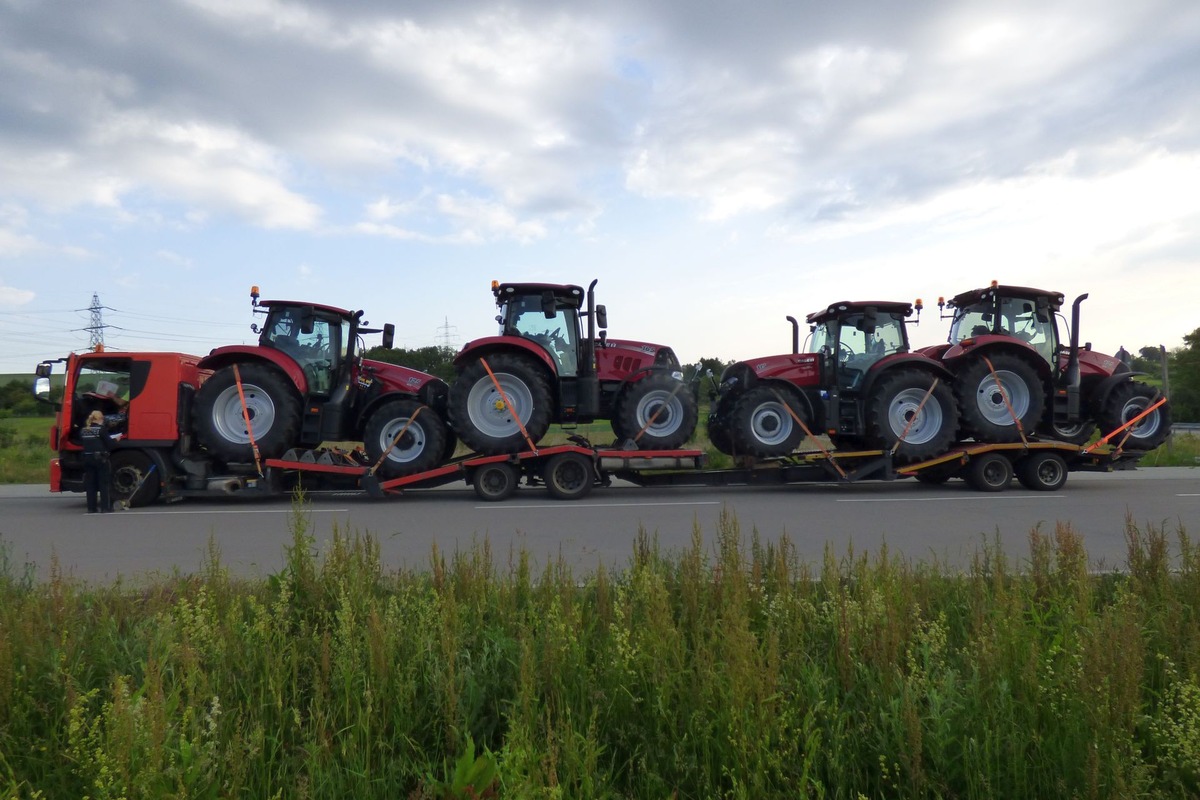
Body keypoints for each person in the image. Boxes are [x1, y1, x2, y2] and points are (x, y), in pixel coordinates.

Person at [79, 410, 120, 513]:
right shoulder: (101, 429)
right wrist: (117, 440)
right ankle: (105, 507)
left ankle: (91, 508)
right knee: (103, 483)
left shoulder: (83, 430)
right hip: (100, 459)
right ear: (99, 419)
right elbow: (110, 445)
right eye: (102, 418)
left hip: (87, 459)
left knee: (90, 484)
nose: (103, 420)